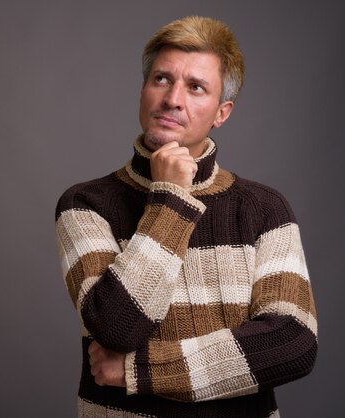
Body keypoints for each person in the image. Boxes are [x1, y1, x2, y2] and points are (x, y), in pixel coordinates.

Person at [55, 16, 317, 418]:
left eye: (196, 87)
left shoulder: (265, 209)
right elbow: (116, 326)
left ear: (221, 112)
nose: (173, 99)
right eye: (161, 79)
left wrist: (138, 369)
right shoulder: (86, 203)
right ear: (143, 90)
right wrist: (171, 199)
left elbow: (291, 343)